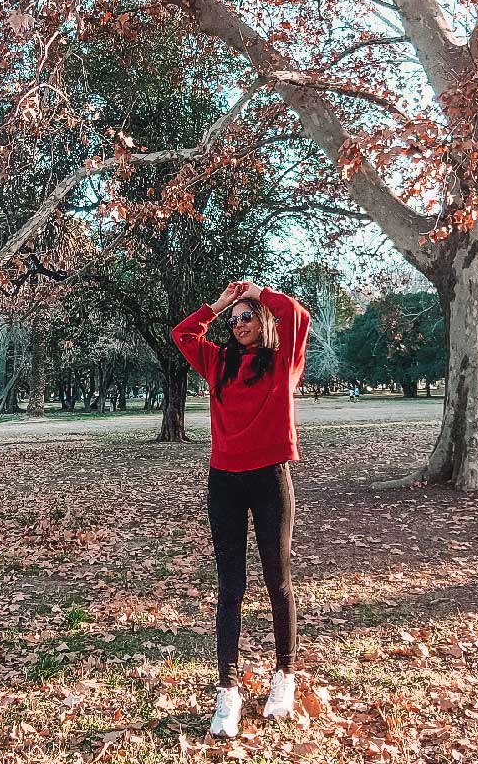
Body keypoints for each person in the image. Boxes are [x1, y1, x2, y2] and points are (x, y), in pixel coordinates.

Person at [171, 280, 311, 738]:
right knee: (230, 585)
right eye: (233, 320)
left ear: (264, 320)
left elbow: (298, 316)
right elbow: (183, 335)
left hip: (271, 479)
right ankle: (227, 690)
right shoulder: (218, 362)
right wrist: (219, 304)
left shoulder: (282, 361)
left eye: (246, 316)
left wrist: (258, 292)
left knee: (277, 579)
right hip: (224, 482)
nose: (238, 324)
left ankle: (284, 676)